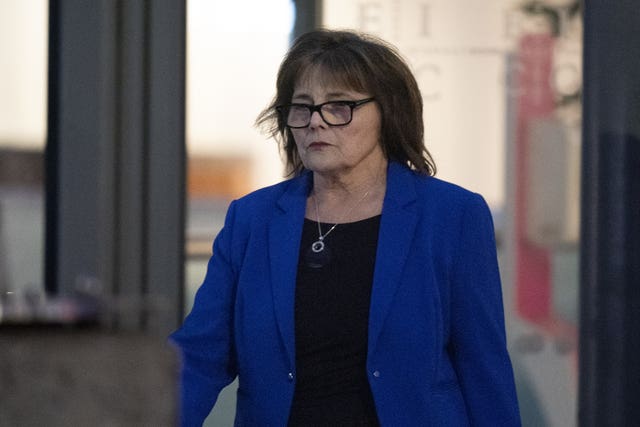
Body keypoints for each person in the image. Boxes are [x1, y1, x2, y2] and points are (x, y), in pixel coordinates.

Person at [170, 29, 521, 426]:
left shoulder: (453, 216)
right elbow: (200, 356)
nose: (316, 123)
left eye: (339, 106)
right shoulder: (252, 220)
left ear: (387, 112)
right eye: (302, 107)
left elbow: (482, 365)